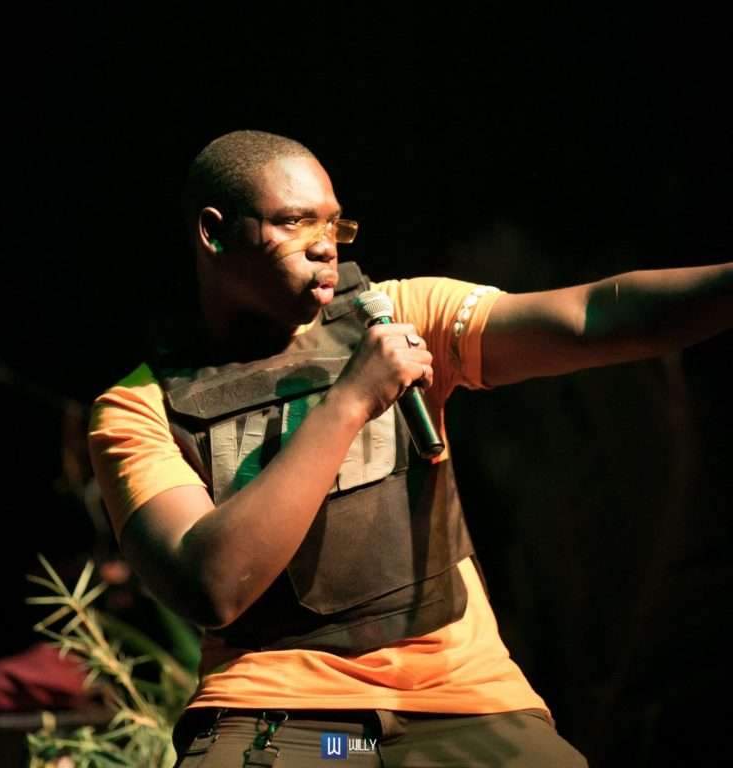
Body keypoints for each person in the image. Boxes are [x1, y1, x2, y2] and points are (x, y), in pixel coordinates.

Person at [88, 130, 731, 767]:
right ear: (214, 232)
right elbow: (212, 585)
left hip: (465, 712)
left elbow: (591, 316)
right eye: (293, 223)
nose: (324, 246)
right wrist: (351, 400)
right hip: (298, 730)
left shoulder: (394, 314)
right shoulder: (141, 407)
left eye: (333, 225)